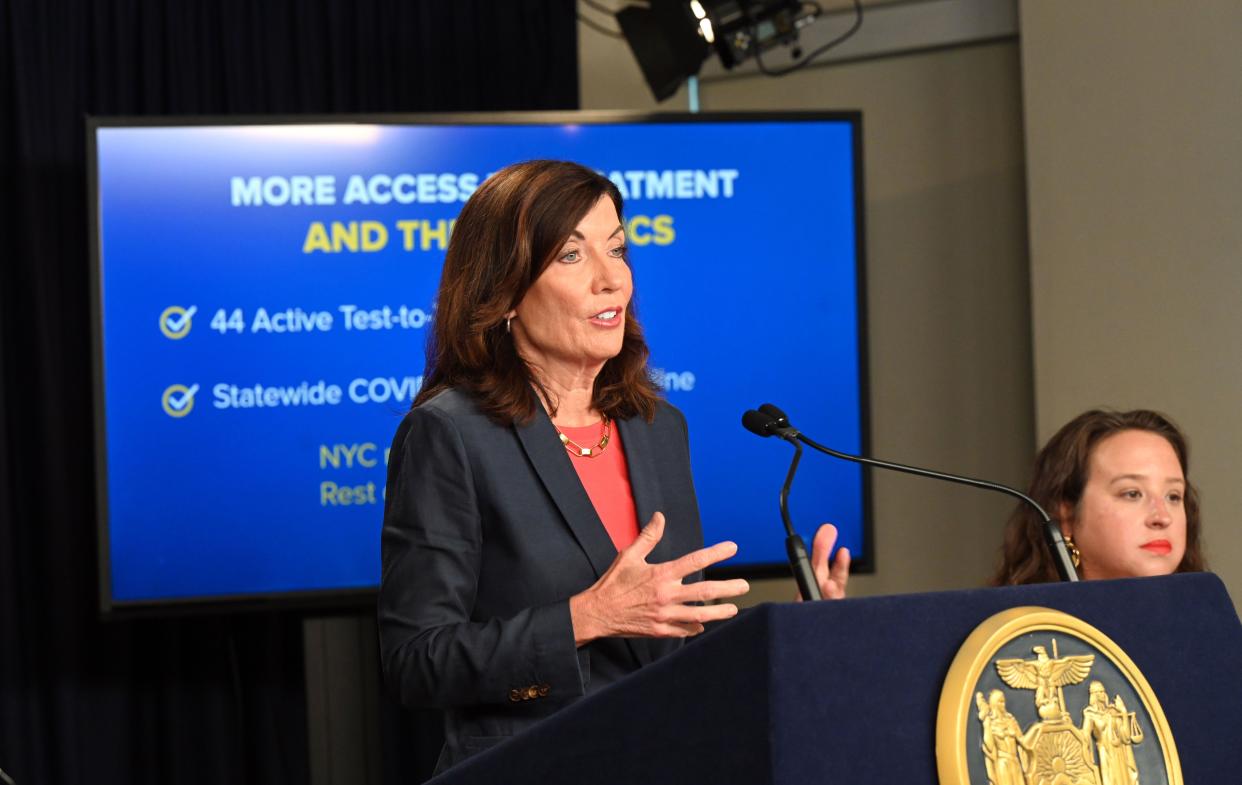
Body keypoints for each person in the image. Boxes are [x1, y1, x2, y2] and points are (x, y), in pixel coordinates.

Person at [378, 160, 847, 773]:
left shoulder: (657, 427)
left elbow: (667, 647)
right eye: (571, 257)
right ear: (505, 294)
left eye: (618, 250)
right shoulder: (450, 434)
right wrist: (584, 619)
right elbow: (416, 661)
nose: (612, 281)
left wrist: (792, 629)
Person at [992, 408, 1205, 585]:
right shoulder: (1020, 631)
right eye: (1132, 494)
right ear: (1065, 516)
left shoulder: (1212, 626)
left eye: (1174, 496)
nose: (1162, 517)